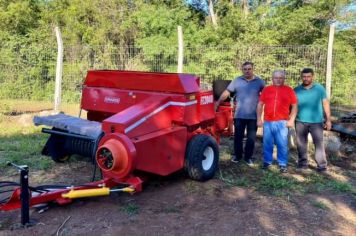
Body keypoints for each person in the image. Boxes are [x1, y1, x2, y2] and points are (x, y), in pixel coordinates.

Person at [215, 61, 265, 166]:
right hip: (239, 115)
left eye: (249, 69)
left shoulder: (259, 82)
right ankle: (237, 156)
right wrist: (218, 102)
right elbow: (226, 92)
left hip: (253, 116)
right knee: (238, 137)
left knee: (251, 138)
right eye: (245, 69)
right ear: (242, 70)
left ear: (253, 69)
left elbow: (266, 96)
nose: (247, 71)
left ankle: (248, 157)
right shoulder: (237, 81)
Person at [256, 70, 298, 173]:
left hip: (282, 122)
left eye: (280, 78)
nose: (278, 80)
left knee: (282, 144)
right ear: (272, 78)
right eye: (276, 78)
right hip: (268, 121)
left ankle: (282, 164)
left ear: (284, 79)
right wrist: (259, 119)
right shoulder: (267, 89)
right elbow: (260, 105)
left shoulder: (289, 90)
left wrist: (291, 120)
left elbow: (295, 106)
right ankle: (267, 162)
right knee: (267, 143)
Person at [294, 68, 331, 172]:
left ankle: (322, 166)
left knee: (319, 144)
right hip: (300, 121)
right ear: (301, 77)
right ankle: (302, 165)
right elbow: (293, 106)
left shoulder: (319, 88)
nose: (306, 78)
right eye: (304, 76)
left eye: (308, 76)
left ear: (312, 77)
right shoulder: (296, 90)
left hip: (317, 122)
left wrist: (328, 120)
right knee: (301, 143)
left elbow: (325, 104)